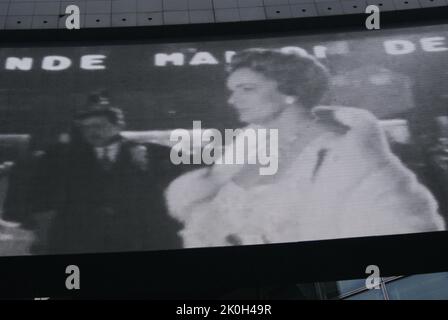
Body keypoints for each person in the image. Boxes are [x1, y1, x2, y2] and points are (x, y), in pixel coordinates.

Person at [165, 48, 445, 248]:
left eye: (246, 89)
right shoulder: (243, 152)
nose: (232, 100)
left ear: (290, 91)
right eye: (232, 90)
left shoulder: (353, 161)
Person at [7, 93, 183, 254]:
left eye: (99, 126)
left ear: (118, 125)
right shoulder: (63, 159)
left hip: (137, 241)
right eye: (86, 128)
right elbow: (44, 200)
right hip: (83, 244)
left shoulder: (153, 154)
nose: (92, 132)